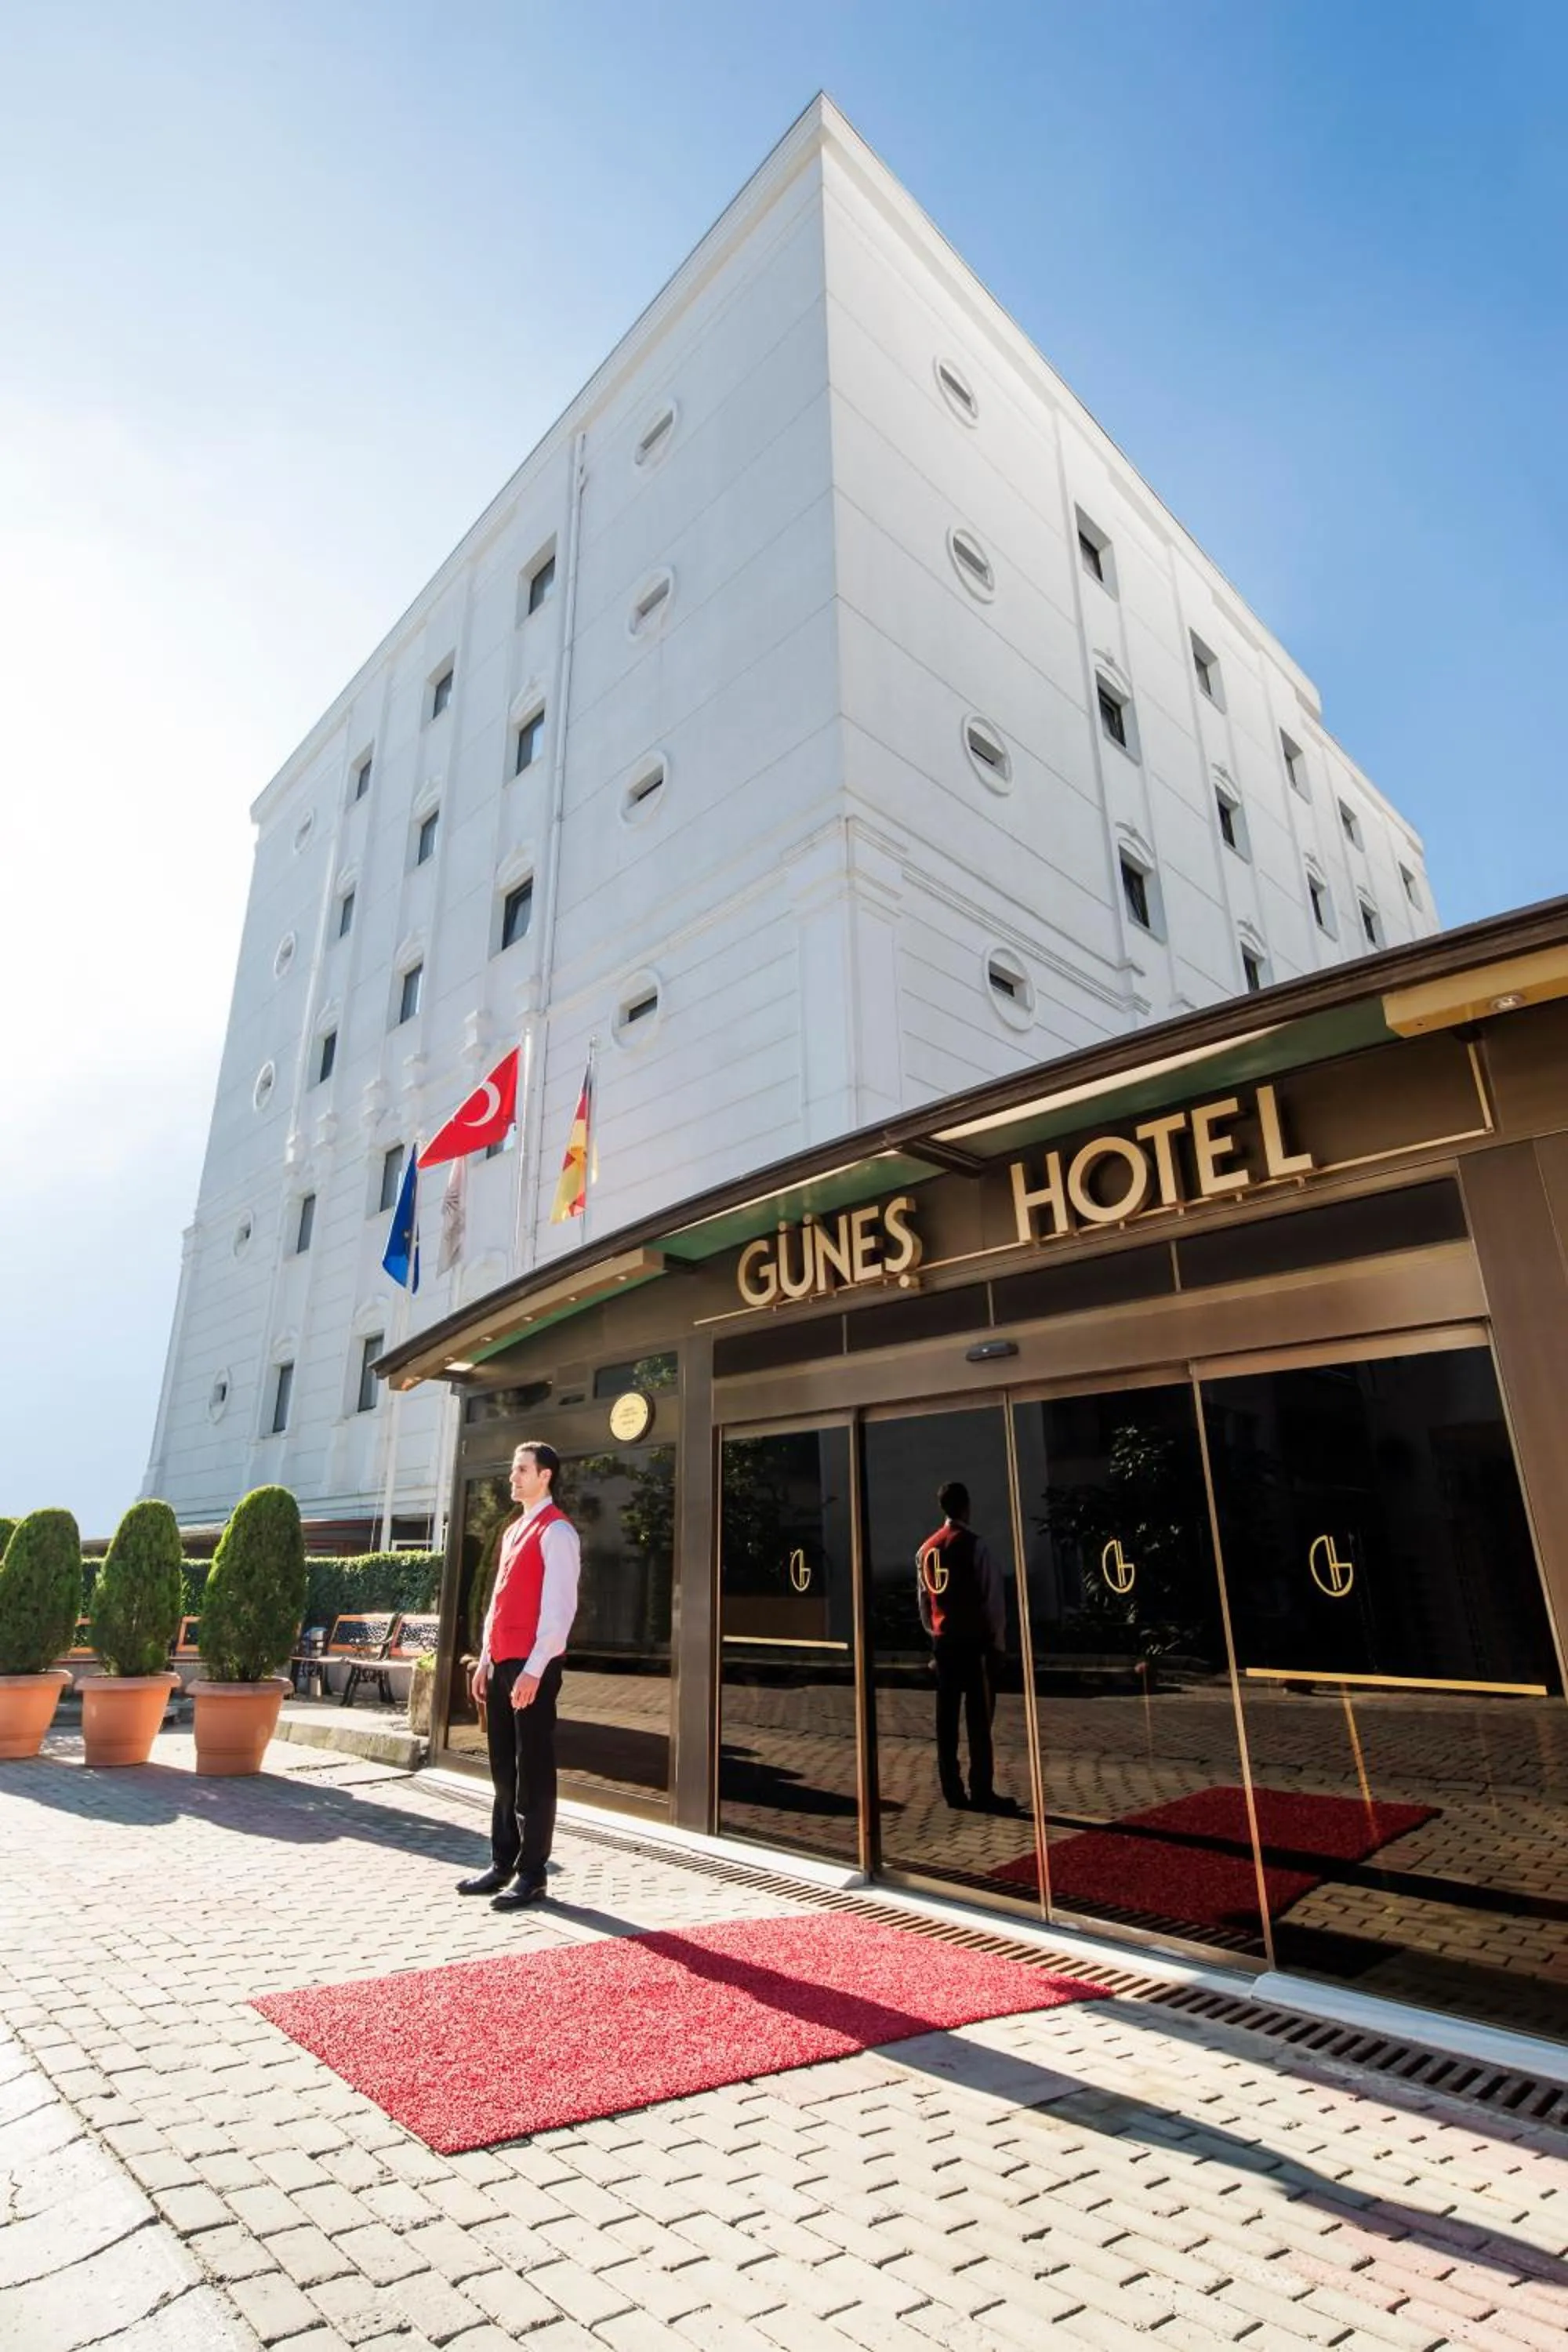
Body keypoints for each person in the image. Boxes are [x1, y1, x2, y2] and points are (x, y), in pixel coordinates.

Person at [456, 1440, 581, 1909]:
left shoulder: (558, 1532)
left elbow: (560, 1610)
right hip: (503, 1664)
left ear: (545, 1475)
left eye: (522, 1470)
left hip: (535, 1668)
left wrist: (533, 1669)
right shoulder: (514, 1531)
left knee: (533, 1771)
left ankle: (533, 1874)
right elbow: (498, 1602)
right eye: (514, 1470)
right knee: (503, 1769)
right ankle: (502, 1862)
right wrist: (486, 1658)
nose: (513, 1478)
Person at [916, 1479, 1015, 1814]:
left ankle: (952, 1789)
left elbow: (924, 1602)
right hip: (974, 1644)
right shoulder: (976, 1546)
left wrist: (935, 1635)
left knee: (946, 1720)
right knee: (978, 1719)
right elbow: (993, 1601)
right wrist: (998, 1644)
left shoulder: (926, 1549)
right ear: (966, 1506)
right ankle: (981, 1789)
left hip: (945, 1644)